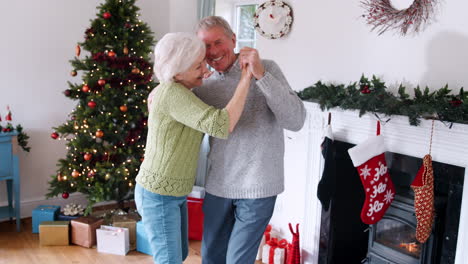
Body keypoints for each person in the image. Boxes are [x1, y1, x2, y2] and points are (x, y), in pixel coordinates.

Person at [193, 16, 307, 264]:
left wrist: (261, 75)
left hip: (258, 185)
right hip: (218, 185)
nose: (212, 52)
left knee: (238, 260)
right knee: (211, 259)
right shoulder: (202, 86)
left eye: (218, 42)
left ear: (233, 40)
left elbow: (295, 120)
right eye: (206, 46)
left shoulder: (267, 68)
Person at [135, 32, 253, 264]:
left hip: (172, 192)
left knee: (178, 255)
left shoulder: (179, 90)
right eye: (197, 66)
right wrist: (245, 79)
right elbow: (222, 124)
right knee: (170, 259)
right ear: (177, 72)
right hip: (159, 195)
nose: (205, 69)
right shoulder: (173, 94)